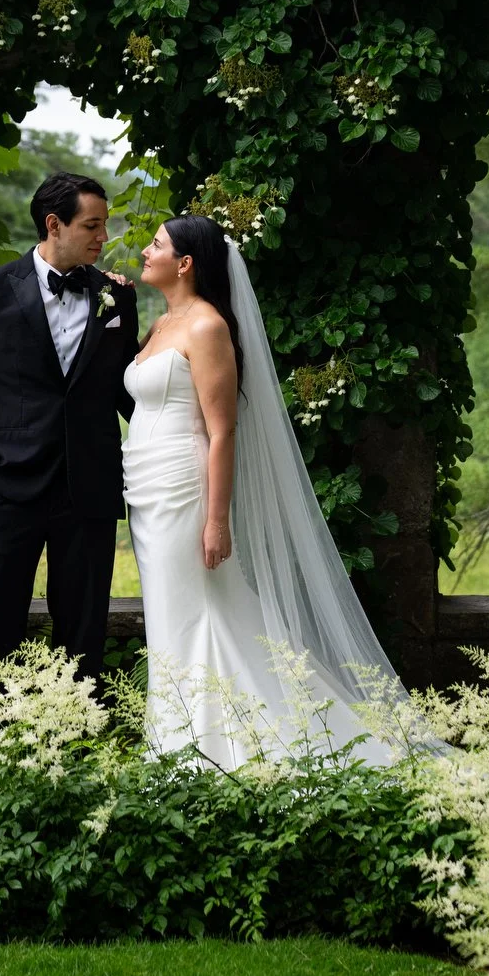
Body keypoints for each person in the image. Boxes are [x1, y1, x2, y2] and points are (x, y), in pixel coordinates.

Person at [123, 213, 424, 768]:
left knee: (196, 611)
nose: (145, 250)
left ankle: (213, 746)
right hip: (146, 490)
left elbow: (222, 430)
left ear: (185, 263)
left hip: (185, 489)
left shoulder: (207, 326)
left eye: (157, 244)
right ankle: (182, 736)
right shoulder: (163, 322)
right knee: (174, 612)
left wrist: (217, 521)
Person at [0, 171, 138, 681]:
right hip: (8, 485)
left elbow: (124, 388)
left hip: (89, 487)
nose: (103, 237)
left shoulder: (117, 298)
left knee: (83, 629)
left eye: (105, 225)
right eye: (92, 226)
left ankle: (80, 743)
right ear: (54, 224)